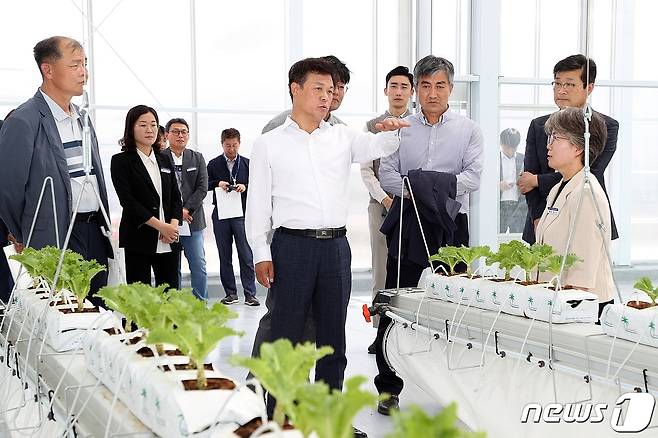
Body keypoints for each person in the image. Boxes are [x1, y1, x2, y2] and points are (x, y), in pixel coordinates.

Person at [246, 57, 407, 437]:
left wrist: (392, 130)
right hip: (291, 247)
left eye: (331, 90)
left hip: (335, 248)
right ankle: (281, 419)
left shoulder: (343, 135)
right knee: (286, 339)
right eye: (317, 88)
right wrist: (261, 253)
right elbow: (258, 207)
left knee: (334, 339)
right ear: (295, 90)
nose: (326, 96)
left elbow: (377, 142)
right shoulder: (269, 143)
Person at [376, 55, 484, 415]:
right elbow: (388, 175)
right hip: (408, 222)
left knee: (453, 306)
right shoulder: (401, 127)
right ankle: (388, 388)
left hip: (453, 226)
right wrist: (431, 190)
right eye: (425, 86)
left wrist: (421, 183)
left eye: (440, 85)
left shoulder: (469, 129)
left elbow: (474, 178)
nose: (432, 93)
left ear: (451, 88)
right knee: (397, 302)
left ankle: (457, 390)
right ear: (415, 89)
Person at [0, 36, 112, 304]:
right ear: (47, 70)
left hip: (93, 231)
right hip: (54, 235)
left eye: (85, 64)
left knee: (96, 309)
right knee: (62, 316)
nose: (84, 72)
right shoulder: (24, 121)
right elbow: (8, 190)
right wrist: (31, 232)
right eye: (75, 65)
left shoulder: (82, 118)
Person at [519, 54, 618, 244]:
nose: (561, 90)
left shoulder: (605, 126)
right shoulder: (539, 125)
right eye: (557, 83)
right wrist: (538, 217)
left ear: (589, 88)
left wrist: (537, 180)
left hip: (586, 216)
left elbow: (589, 173)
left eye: (569, 84)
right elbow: (526, 180)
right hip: (540, 220)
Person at [535, 107, 614, 317]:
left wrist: (572, 308)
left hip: (581, 305)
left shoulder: (586, 193)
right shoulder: (559, 187)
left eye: (555, 138)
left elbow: (583, 263)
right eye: (549, 137)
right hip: (559, 299)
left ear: (578, 147)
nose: (548, 145)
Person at [361, 65, 414, 354]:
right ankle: (379, 333)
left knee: (409, 269)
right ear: (385, 91)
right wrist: (384, 199)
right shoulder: (372, 126)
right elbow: (367, 171)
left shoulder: (418, 124)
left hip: (412, 208)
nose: (398, 92)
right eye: (393, 86)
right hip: (381, 205)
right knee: (381, 269)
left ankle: (406, 332)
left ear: (411, 91)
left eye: (404, 86)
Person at [110, 105, 182, 289]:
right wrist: (161, 227)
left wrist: (172, 227)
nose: (149, 130)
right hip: (138, 238)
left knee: (171, 297)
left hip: (168, 240)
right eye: (142, 125)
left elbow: (175, 196)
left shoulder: (165, 159)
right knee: (139, 299)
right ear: (131, 128)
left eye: (153, 124)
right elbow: (128, 202)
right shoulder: (121, 161)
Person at [207, 128, 259, 306]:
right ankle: (230, 293)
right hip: (221, 214)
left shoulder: (247, 164)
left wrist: (245, 186)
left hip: (241, 215)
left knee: (246, 254)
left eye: (234, 145)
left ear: (239, 144)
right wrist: (217, 183)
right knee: (225, 255)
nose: (231, 149)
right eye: (228, 145)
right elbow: (204, 184)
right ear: (222, 144)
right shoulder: (213, 164)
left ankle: (250, 294)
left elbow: (257, 184)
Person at [164, 118, 208, 300]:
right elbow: (159, 190)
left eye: (184, 132)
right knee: (172, 268)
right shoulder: (159, 157)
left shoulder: (197, 158)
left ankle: (200, 304)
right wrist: (176, 212)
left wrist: (186, 210)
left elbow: (202, 187)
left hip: (193, 221)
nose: (180, 135)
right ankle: (173, 307)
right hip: (168, 224)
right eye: (175, 131)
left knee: (198, 265)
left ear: (188, 135)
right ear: (167, 135)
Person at [261, 55, 349, 133]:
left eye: (341, 87)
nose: (336, 92)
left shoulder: (343, 132)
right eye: (319, 88)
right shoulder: (277, 126)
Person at [499, 128, 527, 233]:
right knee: (496, 237)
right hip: (499, 206)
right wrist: (497, 185)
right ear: (501, 144)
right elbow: (483, 183)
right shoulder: (494, 160)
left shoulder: (524, 159)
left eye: (514, 148)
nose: (510, 151)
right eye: (507, 148)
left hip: (518, 207)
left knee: (518, 241)